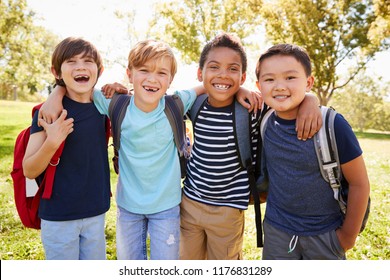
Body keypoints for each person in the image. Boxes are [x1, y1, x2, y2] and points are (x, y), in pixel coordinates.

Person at [39, 39, 258, 260]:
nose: (152, 79)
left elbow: (210, 86)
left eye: (162, 73)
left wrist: (241, 89)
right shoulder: (116, 103)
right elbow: (79, 87)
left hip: (167, 207)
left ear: (171, 79)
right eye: (143, 70)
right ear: (129, 74)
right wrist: (55, 94)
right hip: (128, 207)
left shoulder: (176, 103)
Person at [180, 33, 322, 260]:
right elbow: (158, 104)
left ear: (243, 76)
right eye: (214, 67)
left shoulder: (253, 107)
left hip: (227, 211)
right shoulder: (194, 105)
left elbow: (286, 98)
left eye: (232, 69)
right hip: (188, 204)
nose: (223, 75)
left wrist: (310, 99)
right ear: (200, 74)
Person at [255, 43, 370, 260]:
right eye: (269, 79)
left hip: (326, 235)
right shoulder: (264, 119)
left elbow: (360, 184)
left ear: (309, 82)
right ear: (258, 86)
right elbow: (228, 90)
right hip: (277, 232)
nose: (279, 86)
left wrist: (347, 237)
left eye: (290, 77)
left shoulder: (333, 125)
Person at [22, 37, 111, 260]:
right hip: (58, 215)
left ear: (99, 70)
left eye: (88, 61)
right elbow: (29, 170)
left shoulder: (103, 107)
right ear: (57, 72)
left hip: (96, 212)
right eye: (71, 61)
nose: (80, 66)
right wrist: (52, 142)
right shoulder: (49, 112)